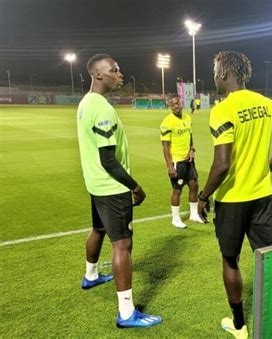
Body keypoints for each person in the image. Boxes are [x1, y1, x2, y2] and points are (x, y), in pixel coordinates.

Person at [197, 50, 272, 338]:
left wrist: (202, 197)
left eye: (215, 70)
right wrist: (262, 171)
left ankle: (239, 326)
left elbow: (222, 163)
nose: (214, 75)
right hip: (263, 196)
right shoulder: (267, 104)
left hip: (231, 201)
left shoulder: (222, 109)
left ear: (225, 73)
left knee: (230, 259)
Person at [77, 54, 162, 328]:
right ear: (99, 75)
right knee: (122, 245)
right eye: (114, 70)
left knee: (98, 230)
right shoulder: (100, 108)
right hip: (111, 187)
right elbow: (109, 160)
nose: (120, 74)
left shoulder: (85, 102)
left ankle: (90, 275)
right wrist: (135, 186)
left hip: (95, 184)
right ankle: (126, 313)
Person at [160, 93, 204, 228]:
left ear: (181, 103)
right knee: (177, 190)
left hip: (188, 160)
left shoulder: (187, 117)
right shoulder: (167, 122)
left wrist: (192, 149)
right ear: (169, 106)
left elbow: (190, 136)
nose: (176, 106)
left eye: (177, 103)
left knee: (194, 186)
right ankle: (175, 218)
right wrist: (169, 166)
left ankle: (194, 214)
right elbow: (165, 147)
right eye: (172, 104)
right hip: (177, 161)